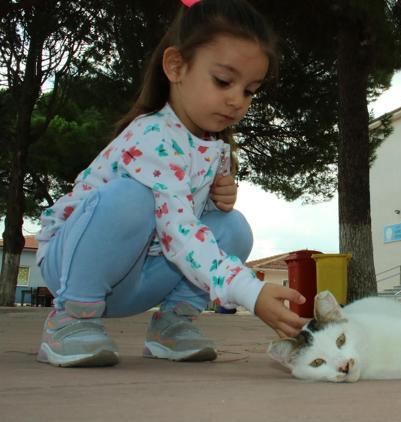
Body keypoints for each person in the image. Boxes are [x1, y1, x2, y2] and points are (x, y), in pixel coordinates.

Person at [34, 0, 307, 367]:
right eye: (224, 81)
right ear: (175, 66)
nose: (236, 100)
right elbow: (178, 229)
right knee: (131, 199)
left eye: (249, 90)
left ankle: (173, 325)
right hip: (72, 267)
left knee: (234, 227)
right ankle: (68, 320)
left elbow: (187, 222)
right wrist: (249, 291)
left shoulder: (213, 145)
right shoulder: (152, 136)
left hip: (138, 278)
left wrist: (212, 201)